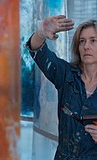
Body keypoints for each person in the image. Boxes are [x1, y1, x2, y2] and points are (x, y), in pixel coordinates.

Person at [25, 15, 97, 159]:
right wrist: (41, 33)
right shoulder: (66, 74)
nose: (86, 46)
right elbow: (37, 51)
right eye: (82, 41)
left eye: (93, 41)